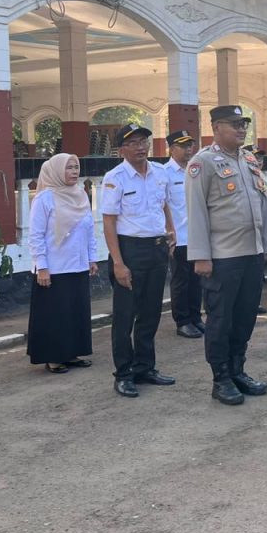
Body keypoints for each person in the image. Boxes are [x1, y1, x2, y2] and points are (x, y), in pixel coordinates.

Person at [186, 105, 267, 405]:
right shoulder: (202, 163)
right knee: (220, 319)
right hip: (223, 256)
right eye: (234, 124)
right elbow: (196, 211)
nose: (241, 129)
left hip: (251, 253)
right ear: (216, 128)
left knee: (245, 316)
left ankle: (238, 370)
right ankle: (221, 377)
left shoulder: (248, 159)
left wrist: (266, 244)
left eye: (244, 124)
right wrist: (201, 256)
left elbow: (262, 203)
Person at [100, 123, 176, 398]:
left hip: (157, 249)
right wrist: (118, 263)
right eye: (132, 143)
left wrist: (171, 230)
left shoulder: (160, 172)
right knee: (125, 316)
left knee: (151, 312)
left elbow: (164, 203)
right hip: (129, 251)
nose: (140, 147)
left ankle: (145, 367)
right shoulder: (115, 178)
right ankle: (123, 374)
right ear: (121, 150)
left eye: (143, 141)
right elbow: (109, 221)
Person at [27, 153, 97, 373]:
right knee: (55, 315)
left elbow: (89, 228)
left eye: (76, 167)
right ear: (56, 171)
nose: (74, 172)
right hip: (54, 268)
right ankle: (54, 358)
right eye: (69, 168)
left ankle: (71, 353)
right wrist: (42, 267)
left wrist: (92, 257)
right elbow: (36, 235)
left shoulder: (81, 195)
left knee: (75, 312)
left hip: (78, 265)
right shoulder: (44, 199)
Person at [164, 130, 203, 338]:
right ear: (172, 149)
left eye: (190, 145)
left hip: (197, 235)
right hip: (179, 237)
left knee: (197, 280)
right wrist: (168, 233)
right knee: (181, 281)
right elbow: (162, 207)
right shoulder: (165, 174)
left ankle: (196, 317)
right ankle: (183, 321)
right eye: (183, 146)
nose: (189, 149)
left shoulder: (195, 170)